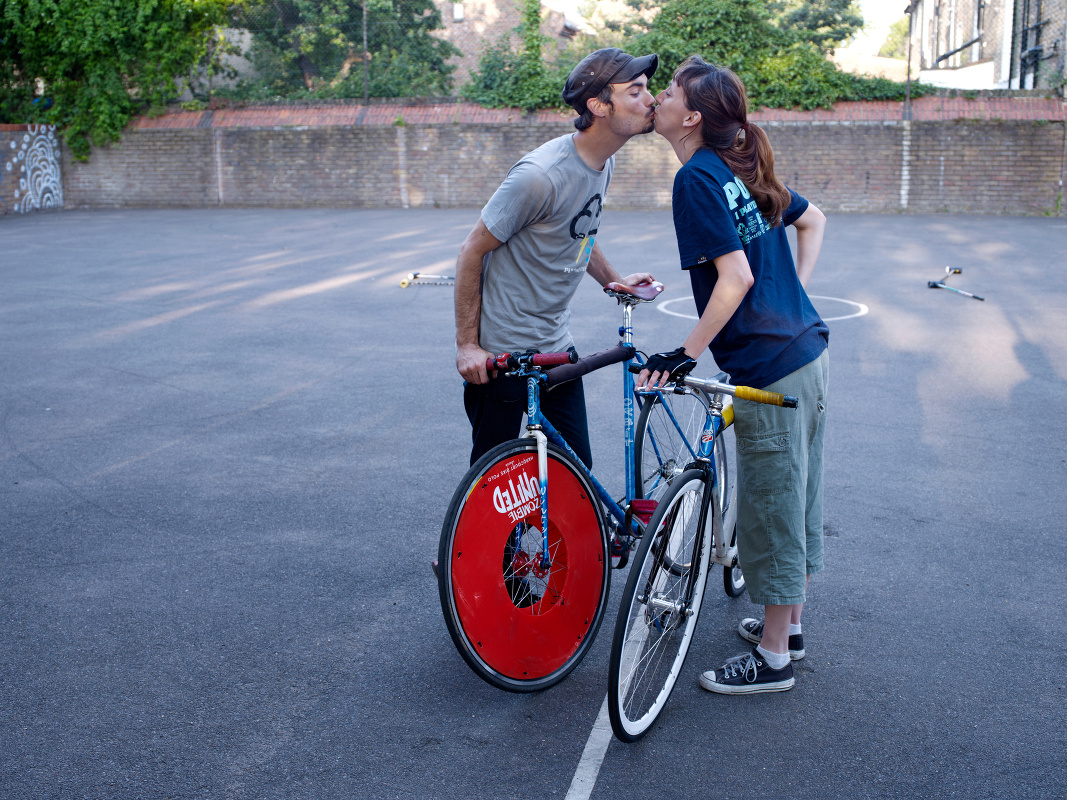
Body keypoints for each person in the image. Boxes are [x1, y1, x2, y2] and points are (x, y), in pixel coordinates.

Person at [638, 56, 829, 694]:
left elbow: (737, 279)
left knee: (772, 506)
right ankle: (789, 627)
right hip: (806, 356)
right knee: (794, 496)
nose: (656, 99)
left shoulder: (698, 177)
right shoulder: (734, 168)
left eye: (665, 93)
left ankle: (775, 660)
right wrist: (791, 300)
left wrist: (683, 354)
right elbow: (814, 220)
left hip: (773, 371)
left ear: (690, 117)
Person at [455, 48, 660, 467]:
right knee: (494, 486)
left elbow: (580, 233)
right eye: (636, 91)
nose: (651, 99)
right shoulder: (539, 176)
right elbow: (471, 251)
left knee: (577, 477)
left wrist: (612, 280)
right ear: (598, 106)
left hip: (556, 349)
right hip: (503, 356)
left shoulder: (603, 163)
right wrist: (467, 347)